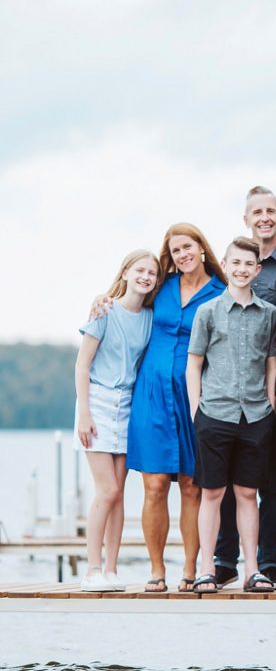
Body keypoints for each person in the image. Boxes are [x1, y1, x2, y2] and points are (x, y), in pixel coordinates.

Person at [126, 224, 227, 593]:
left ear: (201, 247)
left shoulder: (221, 290)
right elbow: (126, 297)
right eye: (176, 250)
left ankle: (190, 569)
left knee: (191, 485)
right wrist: (102, 301)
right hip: (151, 393)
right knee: (153, 486)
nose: (183, 254)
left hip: (195, 394)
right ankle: (156, 569)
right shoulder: (161, 286)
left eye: (188, 246)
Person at [186, 237, 276, 593]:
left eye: (248, 264)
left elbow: (271, 361)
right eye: (234, 263)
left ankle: (251, 569)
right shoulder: (207, 312)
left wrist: (269, 404)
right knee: (211, 493)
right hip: (215, 413)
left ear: (257, 270)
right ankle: (207, 567)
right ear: (225, 265)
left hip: (255, 416)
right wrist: (197, 411)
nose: (241, 270)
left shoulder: (268, 314)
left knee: (247, 493)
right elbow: (194, 365)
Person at [214, 186, 276, 590]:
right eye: (256, 212)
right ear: (246, 219)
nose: (264, 217)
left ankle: (269, 563)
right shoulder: (231, 264)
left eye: (270, 210)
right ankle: (226, 559)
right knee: (229, 482)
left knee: (273, 482)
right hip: (230, 398)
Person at [74, 250, 160, 592]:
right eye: (140, 269)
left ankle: (111, 570)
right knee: (106, 490)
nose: (146, 276)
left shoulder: (151, 317)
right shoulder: (104, 310)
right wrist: (84, 413)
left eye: (152, 272)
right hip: (96, 402)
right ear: (125, 272)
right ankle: (92, 569)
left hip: (129, 405)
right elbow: (82, 365)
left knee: (120, 493)